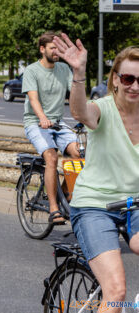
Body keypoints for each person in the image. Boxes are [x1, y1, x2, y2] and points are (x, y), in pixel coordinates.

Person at [53, 33, 139, 313]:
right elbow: (80, 112)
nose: (135, 86)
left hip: (134, 204)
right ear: (115, 79)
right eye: (128, 79)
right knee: (116, 292)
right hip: (94, 205)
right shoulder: (103, 109)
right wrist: (78, 73)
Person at [22, 31, 80, 223]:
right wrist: (42, 118)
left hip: (58, 122)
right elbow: (33, 98)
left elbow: (75, 94)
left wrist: (85, 115)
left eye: (58, 48)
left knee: (78, 154)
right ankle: (54, 208)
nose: (57, 52)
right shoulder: (32, 70)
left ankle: (64, 192)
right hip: (35, 122)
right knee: (52, 157)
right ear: (42, 49)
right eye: (53, 48)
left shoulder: (64, 69)